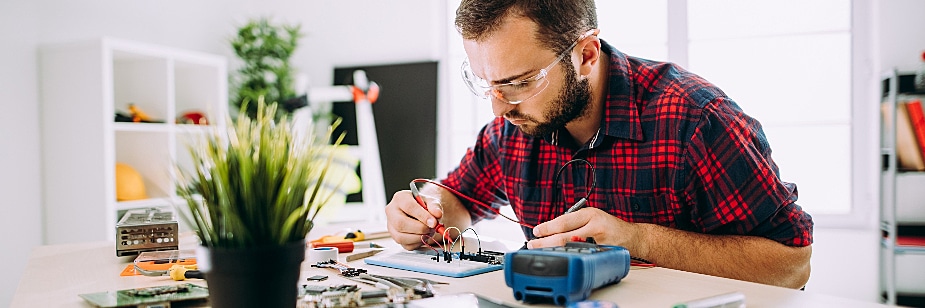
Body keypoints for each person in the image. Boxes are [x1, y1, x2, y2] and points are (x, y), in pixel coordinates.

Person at [385, 0, 812, 289]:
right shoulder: (511, 129)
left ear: (586, 54)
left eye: (520, 83)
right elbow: (458, 200)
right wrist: (424, 212)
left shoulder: (696, 120)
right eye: (485, 83)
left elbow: (792, 264)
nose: (498, 109)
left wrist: (638, 240)